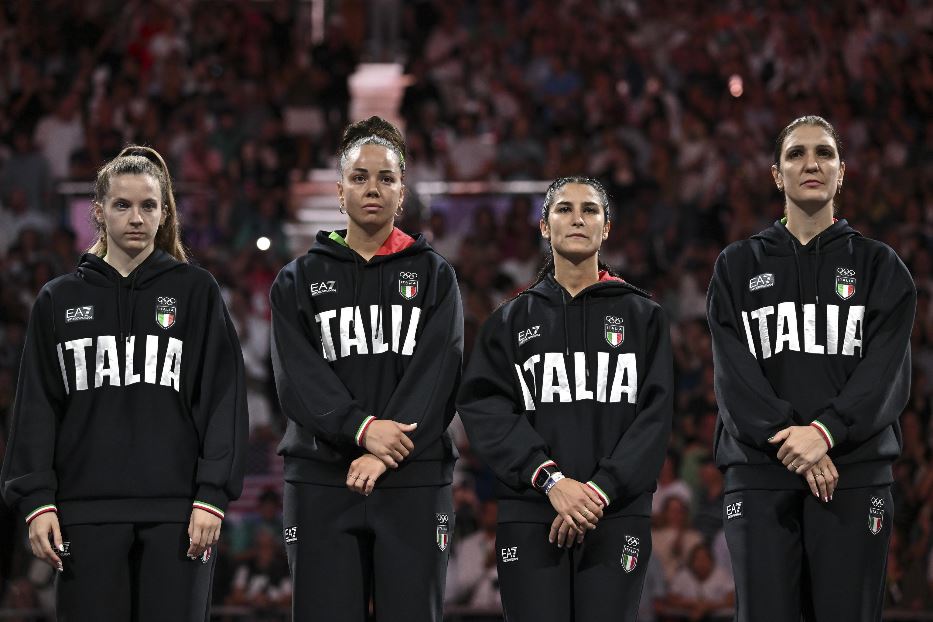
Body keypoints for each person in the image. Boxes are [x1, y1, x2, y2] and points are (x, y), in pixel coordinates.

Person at [0, 145, 248, 621]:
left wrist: (212, 496)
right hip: (84, 514)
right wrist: (37, 501)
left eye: (148, 205)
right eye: (123, 205)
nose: (136, 217)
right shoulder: (58, 299)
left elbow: (222, 400)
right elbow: (36, 406)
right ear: (99, 211)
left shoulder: (196, 292)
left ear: (164, 212)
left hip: (179, 514)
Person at [707, 115, 916, 621]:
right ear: (777, 174)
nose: (811, 164)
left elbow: (885, 376)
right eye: (796, 154)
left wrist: (825, 431)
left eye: (824, 153)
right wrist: (794, 438)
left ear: (842, 172)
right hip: (759, 477)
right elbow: (734, 378)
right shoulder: (736, 266)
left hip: (854, 474)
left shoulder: (880, 267)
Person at [270, 116, 463, 622]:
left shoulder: (435, 275)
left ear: (402, 193)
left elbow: (438, 373)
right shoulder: (297, 279)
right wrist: (361, 429)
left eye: (385, 179)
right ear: (339, 192)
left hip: (412, 479)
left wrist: (383, 451)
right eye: (359, 178)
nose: (372, 188)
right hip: (320, 478)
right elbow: (297, 378)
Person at [457, 176, 673, 622]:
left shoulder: (644, 317)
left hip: (615, 515)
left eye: (590, 210)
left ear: (607, 228)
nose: (577, 218)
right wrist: (551, 481)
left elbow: (654, 419)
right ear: (544, 225)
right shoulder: (509, 322)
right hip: (533, 513)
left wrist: (597, 492)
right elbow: (486, 409)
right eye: (564, 209)